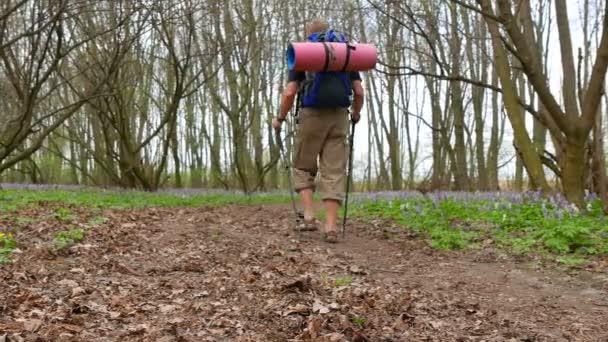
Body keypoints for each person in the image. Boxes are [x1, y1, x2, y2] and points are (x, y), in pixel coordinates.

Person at [272, 18, 365, 243]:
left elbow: (289, 92)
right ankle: (331, 227)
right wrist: (355, 112)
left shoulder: (304, 55)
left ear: (309, 37)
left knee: (302, 166)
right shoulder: (346, 55)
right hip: (340, 116)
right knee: (334, 171)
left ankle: (310, 216)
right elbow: (359, 91)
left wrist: (280, 118)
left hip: (311, 115)